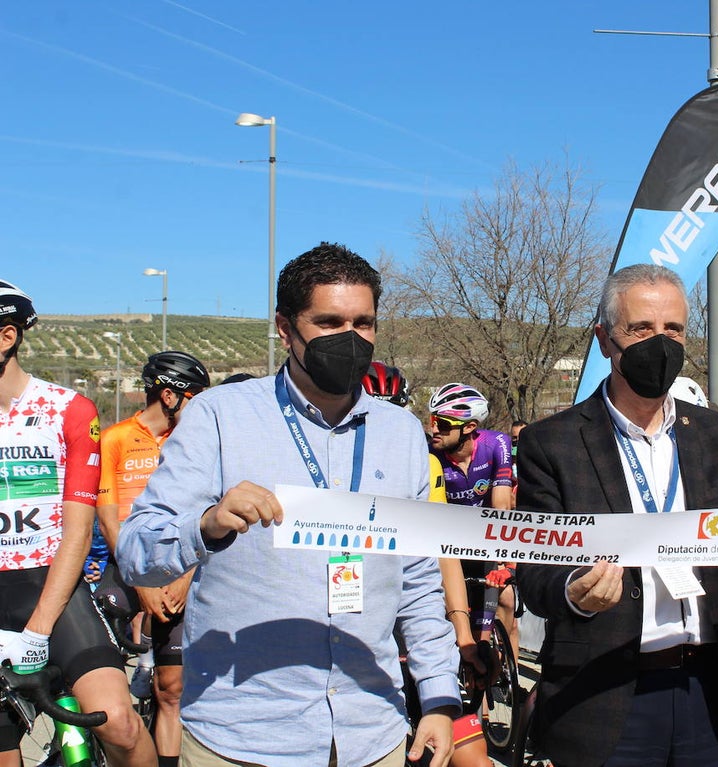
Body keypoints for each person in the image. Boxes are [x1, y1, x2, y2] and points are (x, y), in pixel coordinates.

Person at [117, 243, 459, 767]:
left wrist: (438, 697)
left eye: (364, 322)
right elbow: (138, 550)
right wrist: (204, 526)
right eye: (329, 321)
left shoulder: (403, 434)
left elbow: (417, 578)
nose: (350, 338)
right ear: (285, 328)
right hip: (242, 738)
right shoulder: (219, 417)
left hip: (372, 732)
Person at [514, 264, 718, 767]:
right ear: (604, 340)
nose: (660, 344)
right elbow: (534, 575)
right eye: (640, 329)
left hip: (710, 693)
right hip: (605, 697)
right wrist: (575, 591)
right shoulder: (552, 443)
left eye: (673, 330)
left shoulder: (713, 434)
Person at [0, 280, 156, 767]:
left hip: (50, 587)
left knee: (120, 724)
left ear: (7, 337)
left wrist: (37, 630)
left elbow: (77, 529)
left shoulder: (68, 410)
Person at [363, 365, 490, 767]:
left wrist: (464, 636)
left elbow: (443, 549)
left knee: (471, 758)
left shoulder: (424, 464)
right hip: (363, 641)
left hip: (418, 632)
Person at [98, 350, 209, 767]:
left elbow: (205, 515)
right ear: (168, 396)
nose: (203, 404)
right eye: (195, 395)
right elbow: (108, 521)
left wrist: (186, 576)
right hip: (128, 570)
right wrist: (141, 580)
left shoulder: (192, 444)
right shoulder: (115, 439)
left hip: (182, 570)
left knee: (171, 688)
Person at [428, 384, 520, 659]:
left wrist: (504, 561)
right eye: (432, 420)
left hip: (488, 534)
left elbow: (501, 506)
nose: (434, 429)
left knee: (506, 600)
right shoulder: (430, 454)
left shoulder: (496, 444)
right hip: (450, 540)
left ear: (468, 427)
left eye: (443, 423)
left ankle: (508, 674)